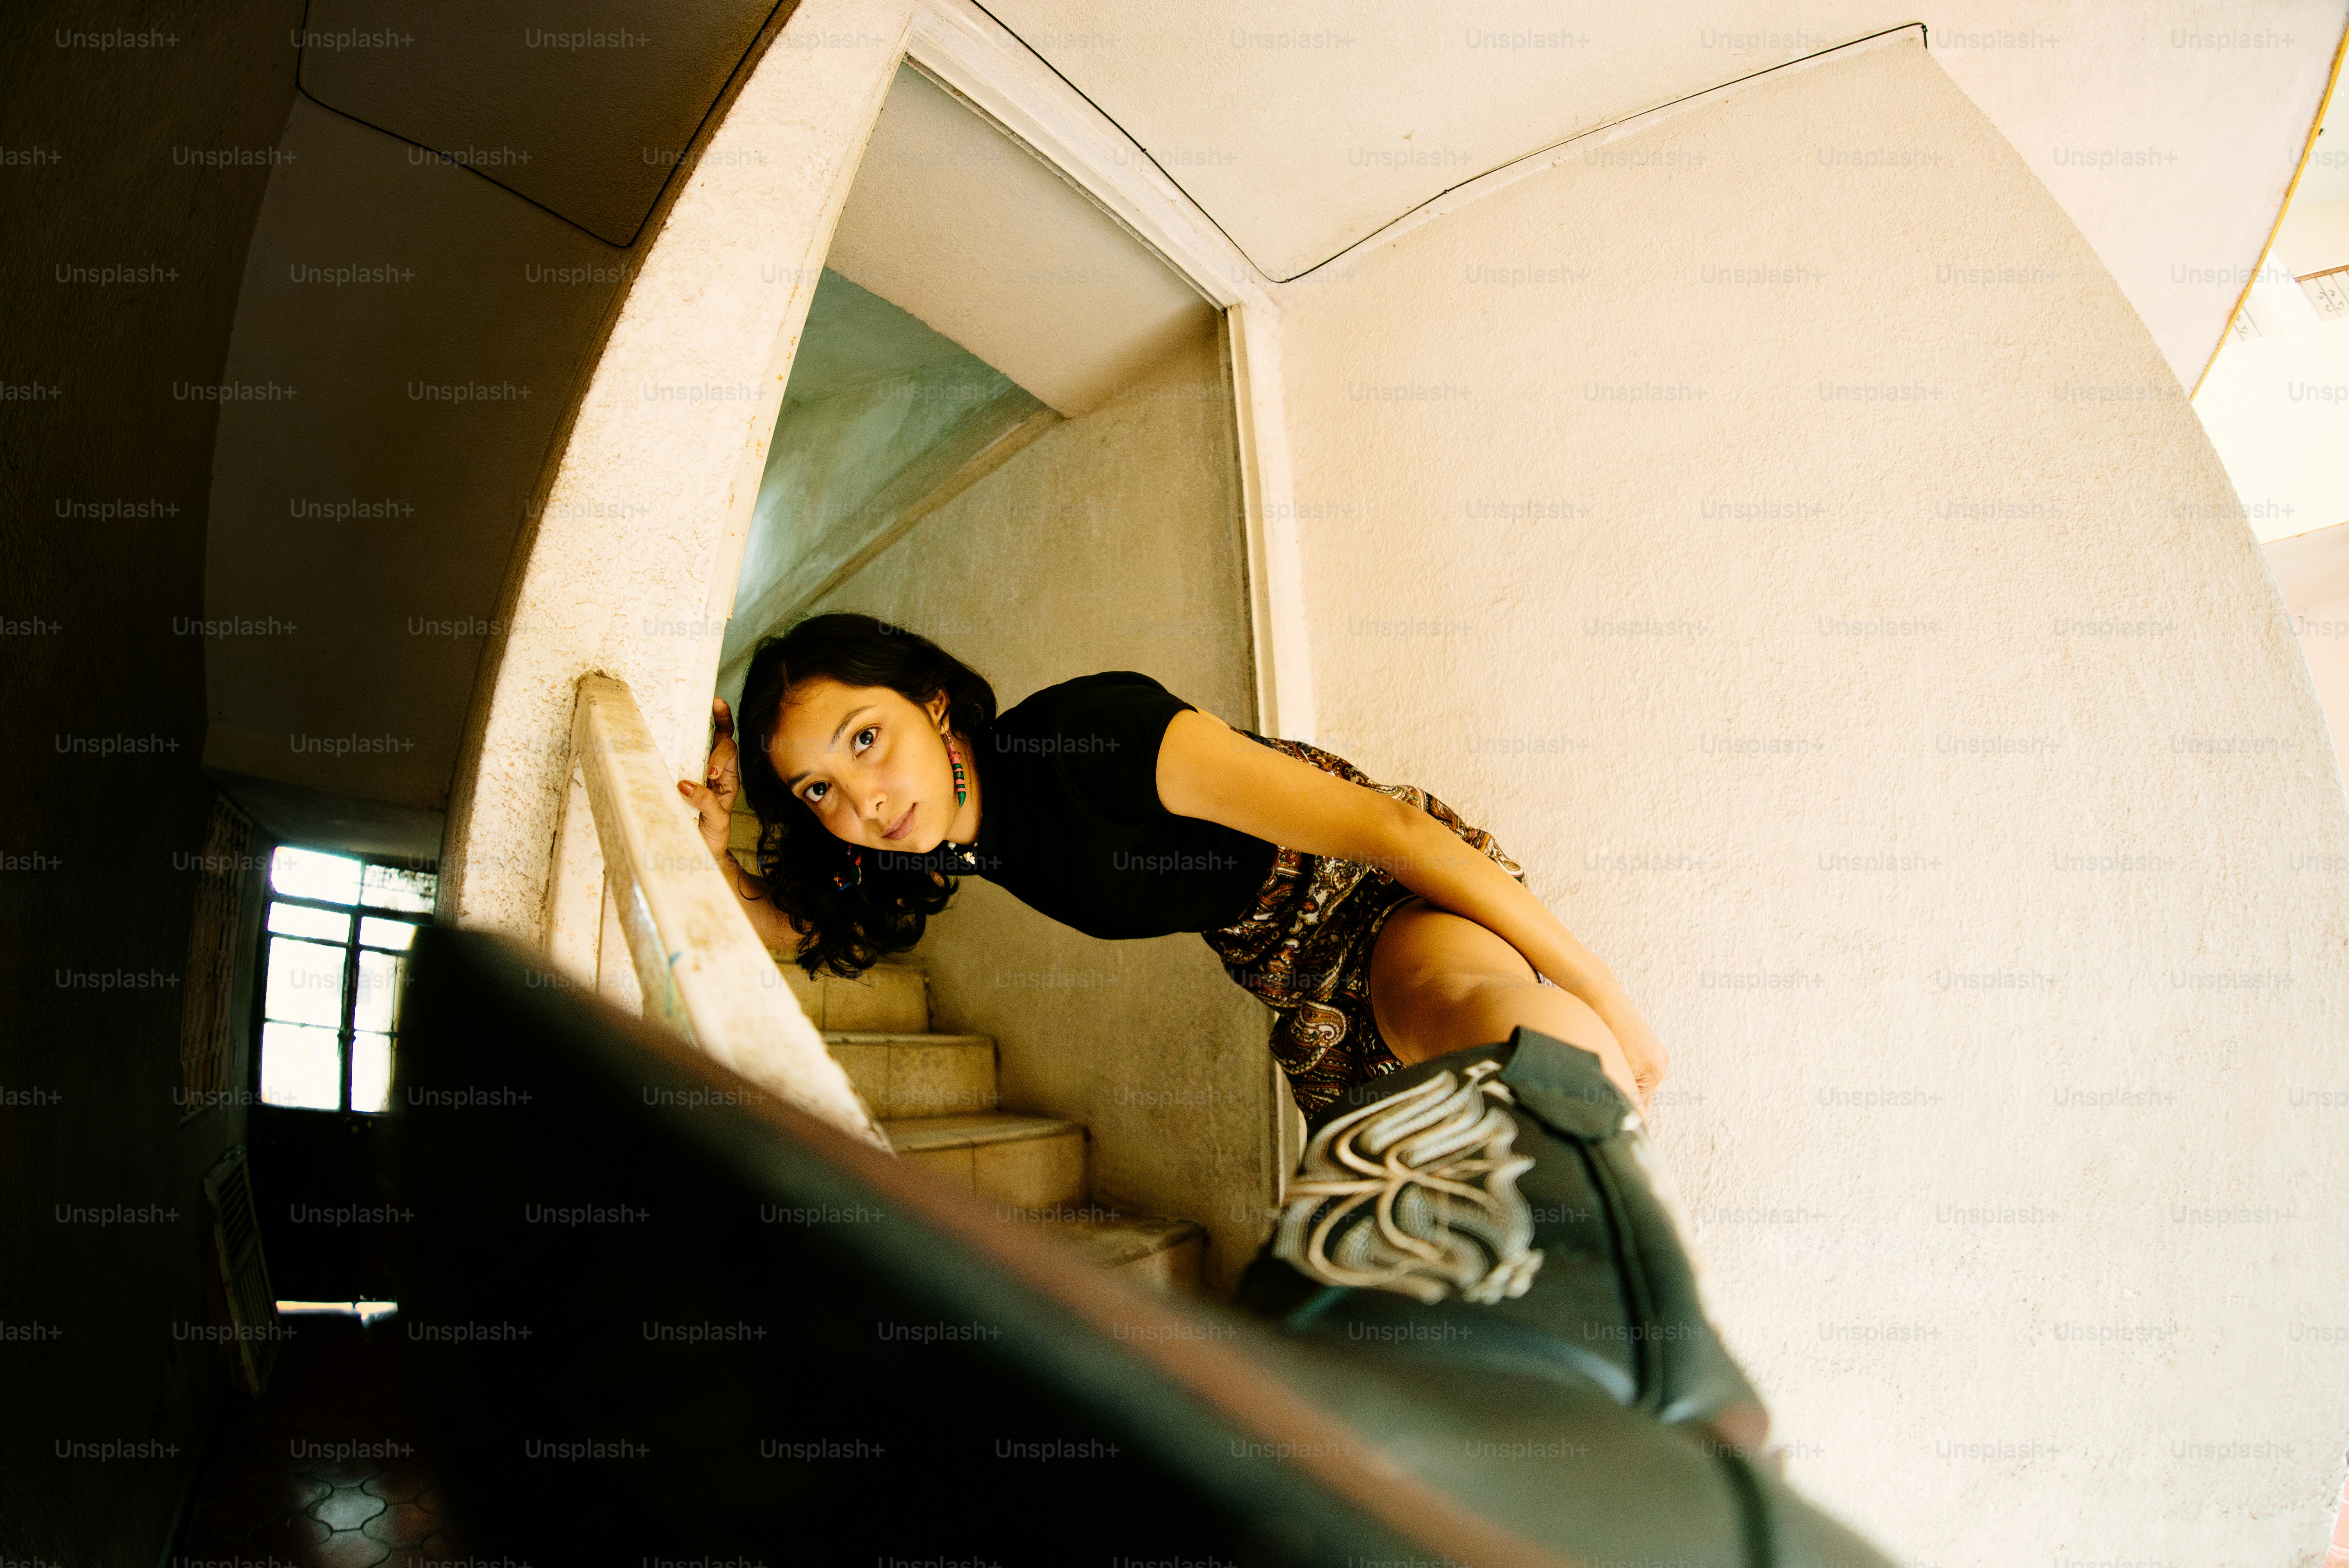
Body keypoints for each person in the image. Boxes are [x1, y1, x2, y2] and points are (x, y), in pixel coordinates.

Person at [677, 613, 1666, 1120]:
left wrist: (1604, 996)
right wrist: (712, 852)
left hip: (1367, 895)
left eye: (864, 739)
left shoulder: (1085, 735)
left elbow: (1389, 831)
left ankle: (1605, 1164)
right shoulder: (943, 831)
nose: (861, 803)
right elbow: (796, 926)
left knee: (1442, 1004)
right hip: (1291, 982)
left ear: (932, 702)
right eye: (816, 789)